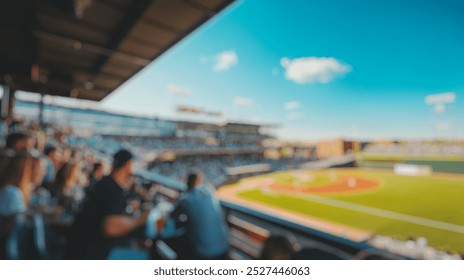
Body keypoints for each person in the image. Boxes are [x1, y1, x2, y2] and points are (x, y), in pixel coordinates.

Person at [65, 149, 149, 259]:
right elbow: (110, 226)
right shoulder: (111, 189)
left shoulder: (105, 184)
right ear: (128, 164)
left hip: (81, 248)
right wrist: (140, 219)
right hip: (89, 253)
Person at [171, 172, 229, 259]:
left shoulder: (185, 198)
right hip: (224, 248)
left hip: (204, 254)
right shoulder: (210, 191)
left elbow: (173, 216)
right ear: (199, 181)